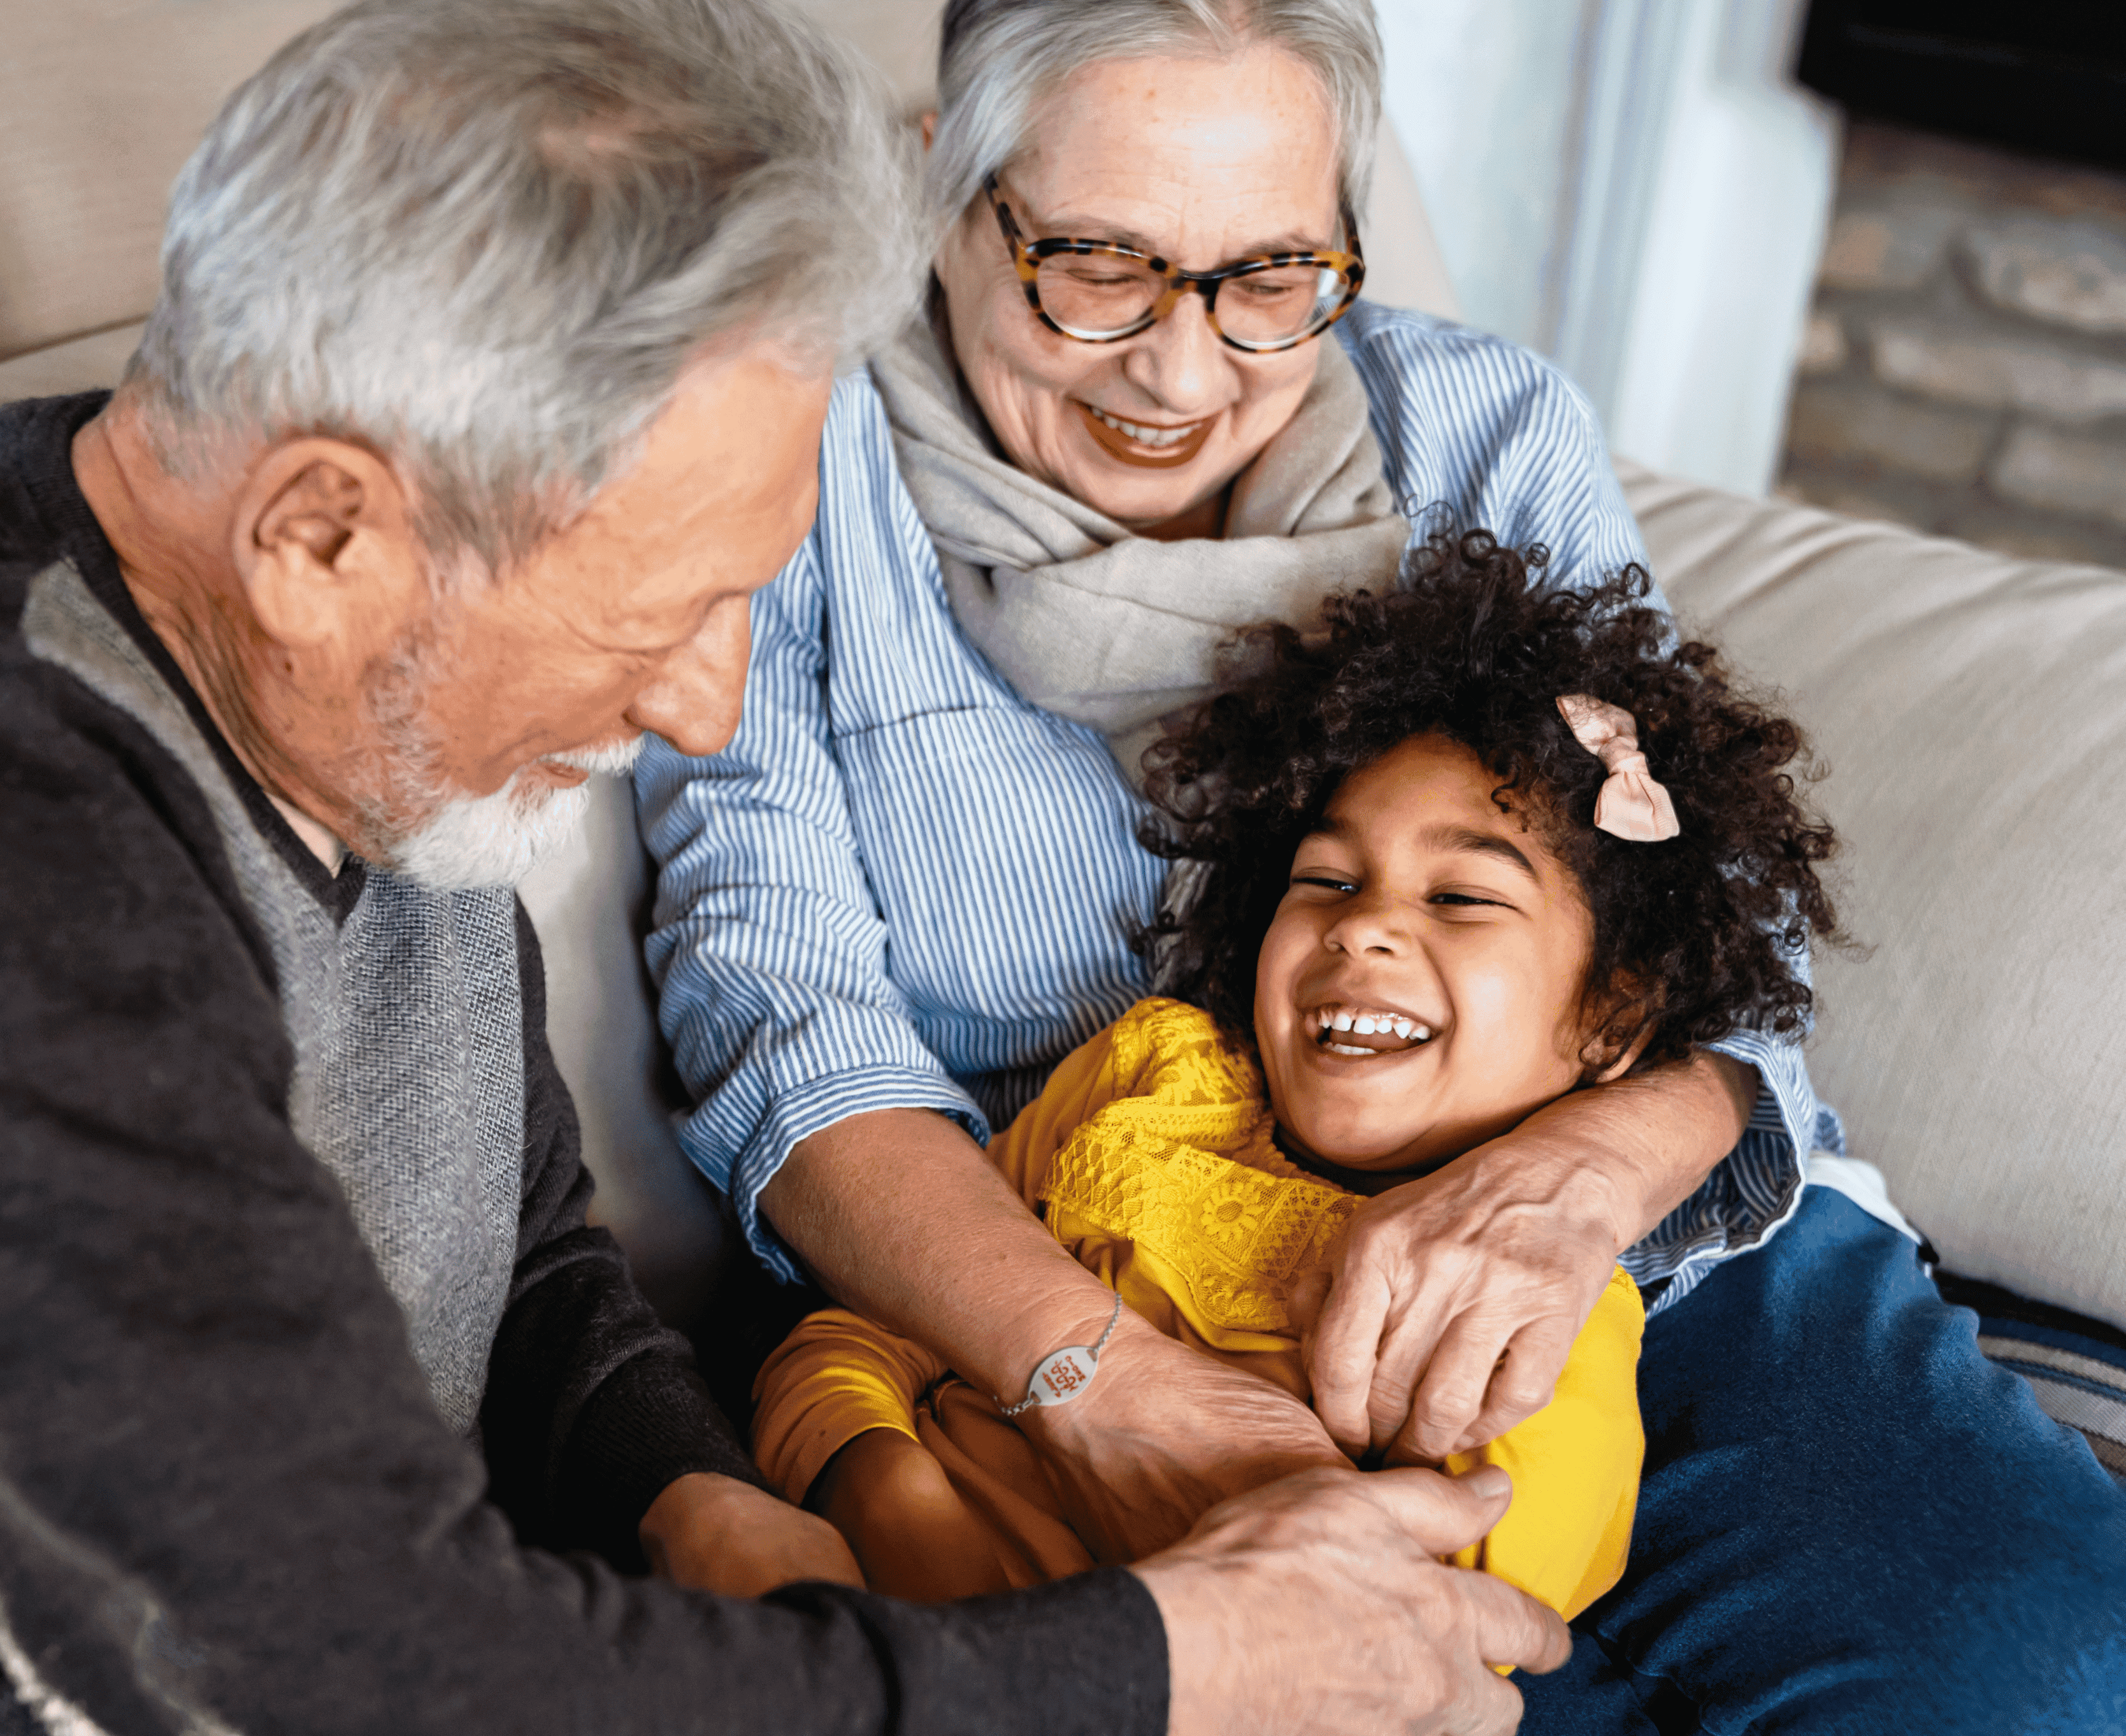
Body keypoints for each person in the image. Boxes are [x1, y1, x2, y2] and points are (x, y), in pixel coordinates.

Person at [0, 1, 1575, 1733]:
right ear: (326, 534)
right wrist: (1177, 1659)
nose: (698, 710)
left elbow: (514, 1262)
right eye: (655, 619)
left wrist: (713, 1510)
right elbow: (337, 1652)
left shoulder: (348, 668)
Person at [640, 0, 2126, 1726]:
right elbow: (784, 1030)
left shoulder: (1478, 432)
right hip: (1100, 1285)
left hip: (1626, 1250)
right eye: (1097, 267)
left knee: (2055, 1663)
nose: (1182, 373)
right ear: (939, 196)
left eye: (1271, 275)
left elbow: (1719, 922)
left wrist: (1577, 1177)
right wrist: (1100, 1380)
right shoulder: (791, 463)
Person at [754, 534, 1846, 1616]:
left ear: (1612, 1015)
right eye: (1325, 878)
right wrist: (886, 1491)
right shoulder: (1148, 1071)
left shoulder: (1530, 1311)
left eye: (1461, 898)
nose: (1362, 927)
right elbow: (870, 1318)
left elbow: (1415, 1628)